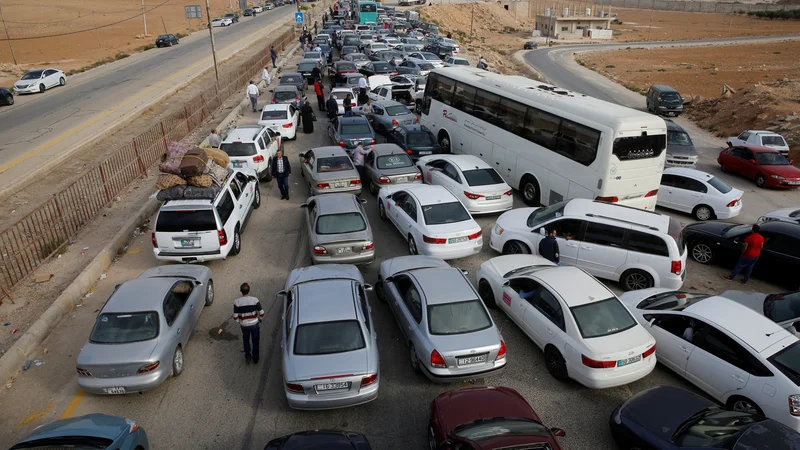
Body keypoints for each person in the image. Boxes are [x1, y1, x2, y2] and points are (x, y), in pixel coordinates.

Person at [232, 283, 265, 364]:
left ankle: (248, 357)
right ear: (249, 290)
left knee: (246, 340)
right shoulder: (255, 300)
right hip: (254, 325)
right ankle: (256, 358)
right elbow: (262, 313)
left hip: (244, 326)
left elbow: (235, 316)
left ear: (241, 291)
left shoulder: (237, 302)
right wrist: (259, 319)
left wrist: (239, 322)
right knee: (255, 341)